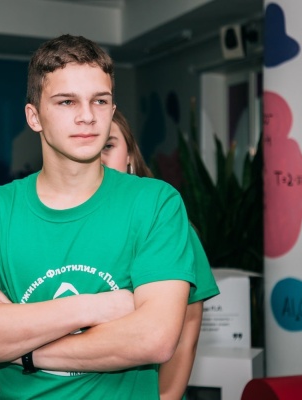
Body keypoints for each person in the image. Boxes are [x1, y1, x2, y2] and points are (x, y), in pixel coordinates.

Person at [0, 34, 196, 399]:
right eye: (66, 101)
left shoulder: (156, 203)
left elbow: (155, 339)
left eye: (99, 101)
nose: (87, 116)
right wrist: (95, 307)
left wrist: (22, 350)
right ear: (34, 117)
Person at [102, 109, 220, 399]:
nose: (98, 157)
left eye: (108, 145)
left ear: (130, 156)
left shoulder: (168, 225)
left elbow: (186, 333)